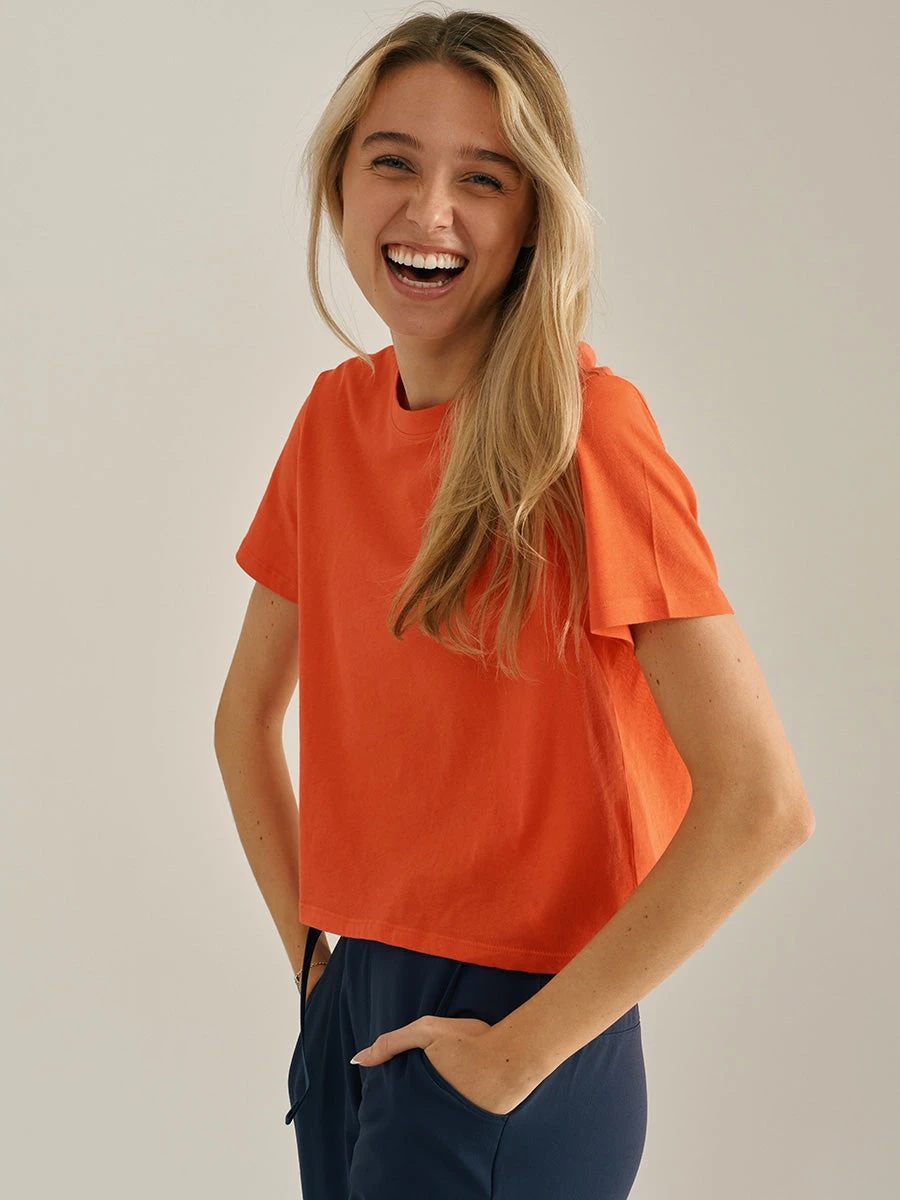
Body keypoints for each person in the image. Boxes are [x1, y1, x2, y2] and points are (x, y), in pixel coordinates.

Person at [214, 8, 815, 1199]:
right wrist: (319, 977)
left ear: (536, 212)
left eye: (482, 179)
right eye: (393, 160)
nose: (429, 212)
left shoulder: (588, 436)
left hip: (519, 1032)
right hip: (354, 1013)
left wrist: (514, 1058)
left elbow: (762, 803)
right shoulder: (332, 423)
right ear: (340, 180)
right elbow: (244, 721)